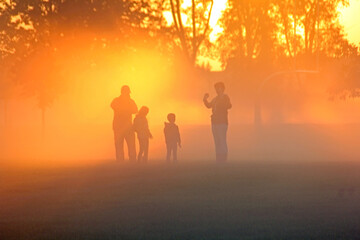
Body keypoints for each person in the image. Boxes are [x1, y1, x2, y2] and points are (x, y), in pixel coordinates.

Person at [203, 82, 232, 162]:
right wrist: (205, 100)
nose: (217, 89)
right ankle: (218, 158)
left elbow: (229, 105)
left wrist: (223, 104)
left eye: (218, 87)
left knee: (222, 140)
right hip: (215, 122)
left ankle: (224, 158)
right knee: (216, 141)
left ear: (222, 88)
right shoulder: (215, 99)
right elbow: (209, 106)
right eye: (216, 88)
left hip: (222, 122)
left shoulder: (225, 97)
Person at [111, 85, 138, 162]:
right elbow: (113, 106)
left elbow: (135, 110)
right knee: (121, 144)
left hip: (125, 126)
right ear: (123, 92)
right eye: (127, 92)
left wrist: (125, 109)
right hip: (121, 126)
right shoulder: (117, 100)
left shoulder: (129, 101)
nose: (128, 94)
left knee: (129, 144)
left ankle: (131, 160)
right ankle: (121, 161)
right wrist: (127, 109)